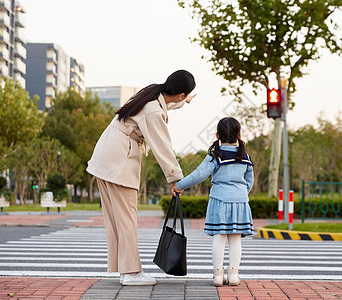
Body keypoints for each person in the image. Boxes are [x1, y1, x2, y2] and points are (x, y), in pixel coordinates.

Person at [87, 70, 196, 286]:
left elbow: (168, 105)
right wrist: (177, 179)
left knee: (117, 220)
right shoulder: (153, 112)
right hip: (120, 159)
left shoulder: (150, 95)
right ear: (181, 94)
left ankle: (124, 270)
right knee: (127, 218)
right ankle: (131, 273)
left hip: (106, 156)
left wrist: (183, 102)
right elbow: (162, 147)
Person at [172, 117, 254, 287]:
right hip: (240, 202)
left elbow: (199, 174)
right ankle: (233, 276)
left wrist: (180, 185)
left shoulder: (215, 156)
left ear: (217, 135)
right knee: (235, 238)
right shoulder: (244, 156)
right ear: (239, 134)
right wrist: (240, 193)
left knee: (219, 237)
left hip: (219, 200)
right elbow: (249, 181)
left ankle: (218, 276)